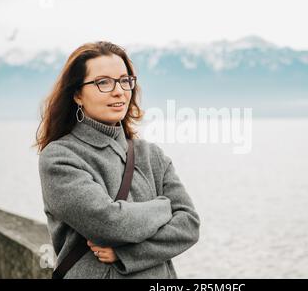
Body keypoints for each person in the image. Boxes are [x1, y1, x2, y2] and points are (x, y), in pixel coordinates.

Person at [35, 41, 200, 278]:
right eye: (103, 82)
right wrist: (164, 207)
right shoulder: (59, 157)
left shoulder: (152, 155)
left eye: (125, 80)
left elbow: (189, 225)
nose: (119, 91)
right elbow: (108, 224)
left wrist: (125, 255)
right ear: (78, 95)